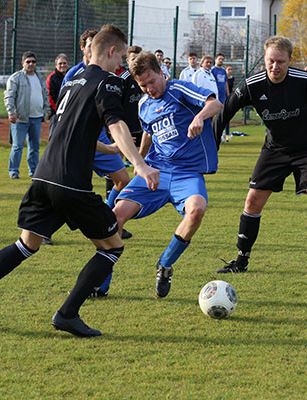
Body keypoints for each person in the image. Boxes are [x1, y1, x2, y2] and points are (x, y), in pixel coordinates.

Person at [0, 25, 159, 338]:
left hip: (44, 176)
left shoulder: (73, 80)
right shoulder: (109, 82)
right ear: (113, 51)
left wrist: (109, 149)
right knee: (112, 246)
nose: (122, 67)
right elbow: (115, 123)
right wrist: (139, 164)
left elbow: (72, 131)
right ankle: (67, 313)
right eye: (121, 57)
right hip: (71, 183)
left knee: (26, 244)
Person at [213, 36, 307, 285]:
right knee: (252, 201)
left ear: (290, 61)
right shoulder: (252, 85)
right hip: (275, 150)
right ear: (265, 60)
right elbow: (224, 112)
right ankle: (241, 260)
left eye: (280, 62)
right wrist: (211, 149)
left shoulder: (304, 81)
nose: (275, 67)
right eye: (270, 61)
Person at [112, 51, 222, 298]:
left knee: (197, 210)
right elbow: (149, 134)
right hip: (156, 171)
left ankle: (165, 264)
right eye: (143, 86)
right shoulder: (143, 105)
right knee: (115, 217)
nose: (149, 89)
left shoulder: (180, 90)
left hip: (187, 173)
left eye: (152, 82)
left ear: (161, 73)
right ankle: (101, 283)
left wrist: (199, 117)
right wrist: (138, 162)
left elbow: (215, 103)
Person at [62, 28, 133, 247]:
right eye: (90, 43)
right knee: (69, 190)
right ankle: (45, 229)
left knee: (123, 180)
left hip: (99, 135)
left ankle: (109, 216)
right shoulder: (74, 74)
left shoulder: (108, 76)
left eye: (97, 42)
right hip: (77, 139)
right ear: (83, 48)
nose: (94, 46)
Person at [5, 51, 50, 179]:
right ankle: (13, 171)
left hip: (36, 117)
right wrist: (11, 112)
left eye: (33, 62)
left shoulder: (40, 78)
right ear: (22, 63)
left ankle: (34, 171)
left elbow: (45, 95)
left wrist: (45, 111)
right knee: (18, 146)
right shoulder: (15, 77)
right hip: (21, 118)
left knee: (34, 147)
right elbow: (9, 96)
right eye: (28, 62)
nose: (31, 64)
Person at [46, 53, 69, 138]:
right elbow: (50, 97)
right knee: (54, 138)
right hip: (56, 113)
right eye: (60, 63)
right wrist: (59, 110)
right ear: (56, 65)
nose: (62, 65)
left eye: (64, 63)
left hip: (70, 113)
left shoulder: (72, 75)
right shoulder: (52, 78)